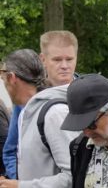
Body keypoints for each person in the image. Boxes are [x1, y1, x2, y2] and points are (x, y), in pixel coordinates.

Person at [0, 49, 78, 188]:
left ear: (12, 78)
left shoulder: (54, 113)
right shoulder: (26, 111)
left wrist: (21, 186)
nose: (3, 84)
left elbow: (75, 175)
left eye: (3, 78)